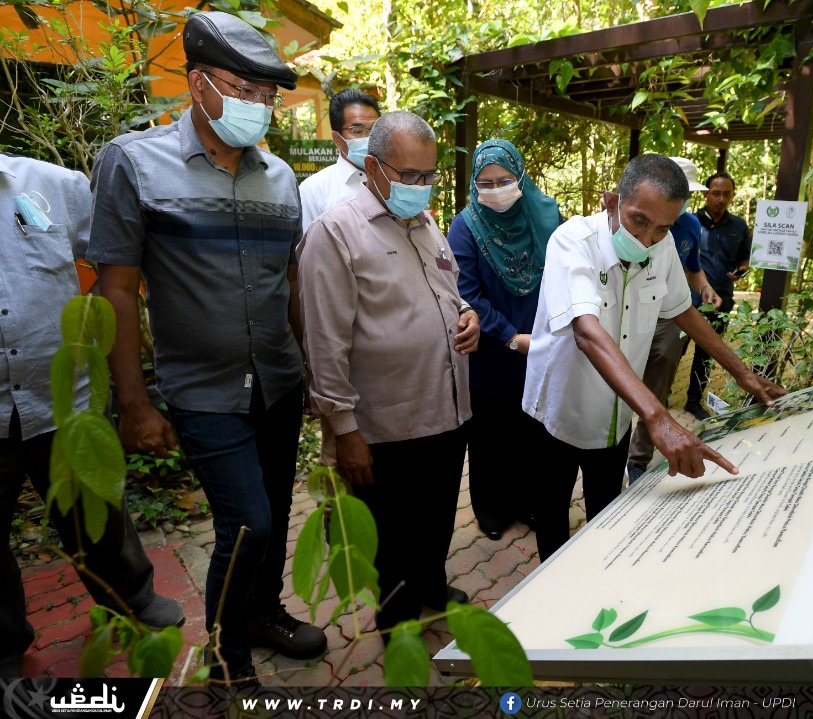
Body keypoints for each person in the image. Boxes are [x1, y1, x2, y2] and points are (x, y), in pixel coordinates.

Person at [86, 11, 326, 685]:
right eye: (244, 90)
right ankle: (226, 662)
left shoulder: (279, 177)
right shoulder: (134, 162)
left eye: (267, 94)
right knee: (246, 523)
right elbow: (116, 289)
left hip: (278, 380)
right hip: (202, 389)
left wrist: (311, 371)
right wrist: (134, 402)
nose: (259, 105)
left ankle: (262, 612)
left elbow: (290, 281)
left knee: (274, 512)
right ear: (199, 85)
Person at [522, 154, 786, 562]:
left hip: (616, 412)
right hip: (560, 409)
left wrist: (742, 374)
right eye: (639, 221)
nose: (647, 239)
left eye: (663, 228)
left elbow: (683, 310)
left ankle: (600, 578)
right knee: (552, 513)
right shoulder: (573, 241)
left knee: (607, 512)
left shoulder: (661, 248)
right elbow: (586, 332)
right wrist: (659, 418)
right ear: (612, 201)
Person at [0, 153, 184, 678]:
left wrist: (99, 331)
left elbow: (115, 264)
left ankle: (133, 597)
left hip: (65, 395)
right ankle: (4, 644)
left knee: (96, 509)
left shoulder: (54, 184)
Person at [298, 110, 480, 635]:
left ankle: (430, 587)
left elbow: (449, 290)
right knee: (393, 534)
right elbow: (324, 343)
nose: (420, 186)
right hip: (387, 427)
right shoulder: (334, 233)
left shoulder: (425, 224)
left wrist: (467, 313)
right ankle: (397, 625)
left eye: (429, 175)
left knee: (436, 517)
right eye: (410, 175)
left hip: (447, 410)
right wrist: (345, 432)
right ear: (374, 167)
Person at [446, 139, 561, 540]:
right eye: (486, 183)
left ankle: (529, 502)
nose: (496, 189)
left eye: (504, 180)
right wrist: (511, 337)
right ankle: (492, 510)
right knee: (491, 435)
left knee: (533, 431)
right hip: (492, 350)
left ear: (521, 177)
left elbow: (563, 276)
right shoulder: (465, 226)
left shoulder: (548, 216)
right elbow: (466, 292)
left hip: (541, 346)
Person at [625, 157, 720, 484]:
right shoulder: (632, 218)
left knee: (659, 383)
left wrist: (705, 288)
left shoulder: (690, 226)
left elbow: (693, 268)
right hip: (630, 311)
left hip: (668, 316)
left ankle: (638, 459)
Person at [684, 170, 752, 420]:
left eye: (726, 194)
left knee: (706, 355)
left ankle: (693, 402)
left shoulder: (739, 226)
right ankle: (661, 397)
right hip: (686, 301)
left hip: (720, 301)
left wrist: (742, 271)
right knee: (673, 351)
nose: (721, 199)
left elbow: (745, 258)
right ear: (705, 194)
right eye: (715, 193)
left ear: (732, 196)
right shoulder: (690, 222)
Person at [298, 89, 381, 232]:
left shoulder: (396, 179)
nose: (369, 138)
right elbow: (307, 243)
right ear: (337, 138)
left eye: (375, 130)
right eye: (357, 131)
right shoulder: (314, 190)